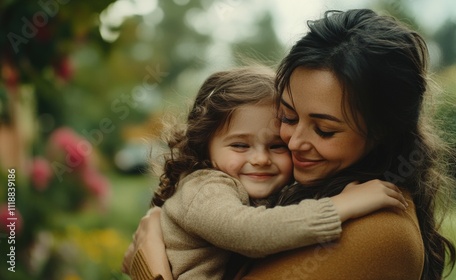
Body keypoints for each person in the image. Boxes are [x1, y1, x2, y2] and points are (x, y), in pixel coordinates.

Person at [123, 9, 456, 280]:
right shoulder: (287, 192)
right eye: (287, 116)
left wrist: (149, 254)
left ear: (383, 132)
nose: (294, 142)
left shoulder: (378, 231)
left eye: (325, 131)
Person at [127, 66, 407, 280]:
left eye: (276, 145)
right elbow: (250, 231)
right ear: (205, 148)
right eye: (239, 145)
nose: (260, 159)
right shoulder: (205, 187)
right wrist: (342, 205)